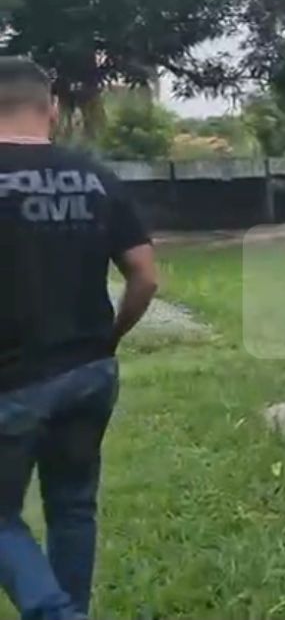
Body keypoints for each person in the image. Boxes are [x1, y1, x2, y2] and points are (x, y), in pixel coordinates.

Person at [0, 57, 158, 620]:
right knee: (72, 507)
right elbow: (145, 277)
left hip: (11, 382)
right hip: (90, 373)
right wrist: (108, 338)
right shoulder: (97, 176)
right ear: (51, 108)